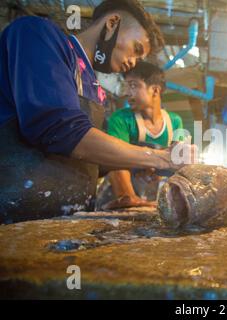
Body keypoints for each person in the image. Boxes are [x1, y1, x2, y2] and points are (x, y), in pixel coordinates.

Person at [0, 0, 195, 223]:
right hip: (14, 219)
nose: (132, 63)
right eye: (136, 49)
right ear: (112, 23)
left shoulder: (93, 87)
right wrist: (161, 158)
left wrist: (140, 160)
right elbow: (60, 130)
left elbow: (87, 162)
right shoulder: (38, 35)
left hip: (66, 221)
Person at [99, 61, 185, 209]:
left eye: (133, 85)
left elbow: (177, 164)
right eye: (126, 86)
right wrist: (128, 197)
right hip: (117, 198)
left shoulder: (175, 122)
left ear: (155, 91)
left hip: (152, 199)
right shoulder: (121, 119)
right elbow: (116, 160)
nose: (127, 93)